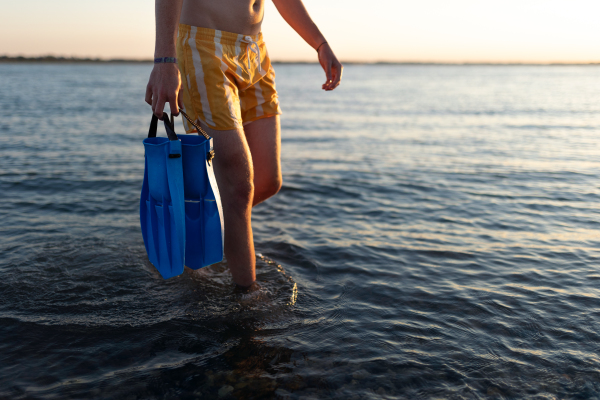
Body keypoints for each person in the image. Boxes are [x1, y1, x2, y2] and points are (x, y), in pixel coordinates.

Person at [145, 0, 342, 288]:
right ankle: (248, 301)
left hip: (253, 50)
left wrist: (319, 43)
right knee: (238, 187)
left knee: (267, 181)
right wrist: (165, 60)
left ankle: (197, 236)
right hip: (202, 44)